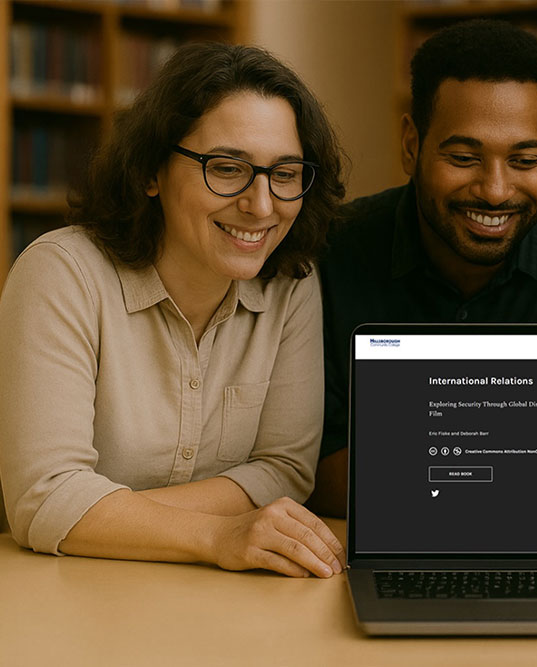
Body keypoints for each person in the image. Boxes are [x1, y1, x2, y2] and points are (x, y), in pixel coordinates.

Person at [0, 43, 347, 578]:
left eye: (285, 173)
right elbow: (46, 497)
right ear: (151, 172)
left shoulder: (291, 284)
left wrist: (104, 514)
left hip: (216, 602)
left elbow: (284, 472)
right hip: (68, 597)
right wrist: (218, 534)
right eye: (227, 168)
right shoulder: (60, 274)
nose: (261, 205)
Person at [309, 20, 537, 517]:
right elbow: (323, 477)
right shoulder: (331, 254)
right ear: (411, 145)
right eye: (464, 157)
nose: (496, 190)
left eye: (524, 160)